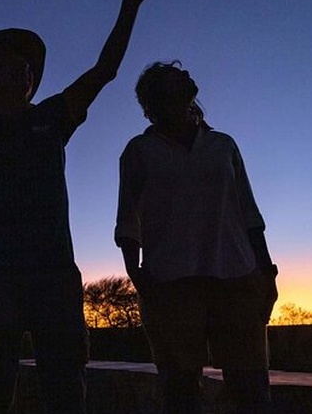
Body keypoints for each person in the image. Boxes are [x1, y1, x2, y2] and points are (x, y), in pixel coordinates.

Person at [0, 0, 153, 414]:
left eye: (28, 67)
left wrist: (130, 2)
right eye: (10, 65)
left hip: (53, 277)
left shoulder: (53, 118)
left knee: (66, 392)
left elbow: (106, 69)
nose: (24, 71)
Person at [115, 62, 278, 414]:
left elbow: (249, 212)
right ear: (156, 96)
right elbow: (127, 218)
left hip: (237, 277)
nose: (186, 74)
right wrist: (137, 274)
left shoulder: (222, 145)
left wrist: (267, 271)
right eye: (174, 76)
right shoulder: (139, 151)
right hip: (171, 284)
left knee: (251, 390)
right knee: (181, 392)